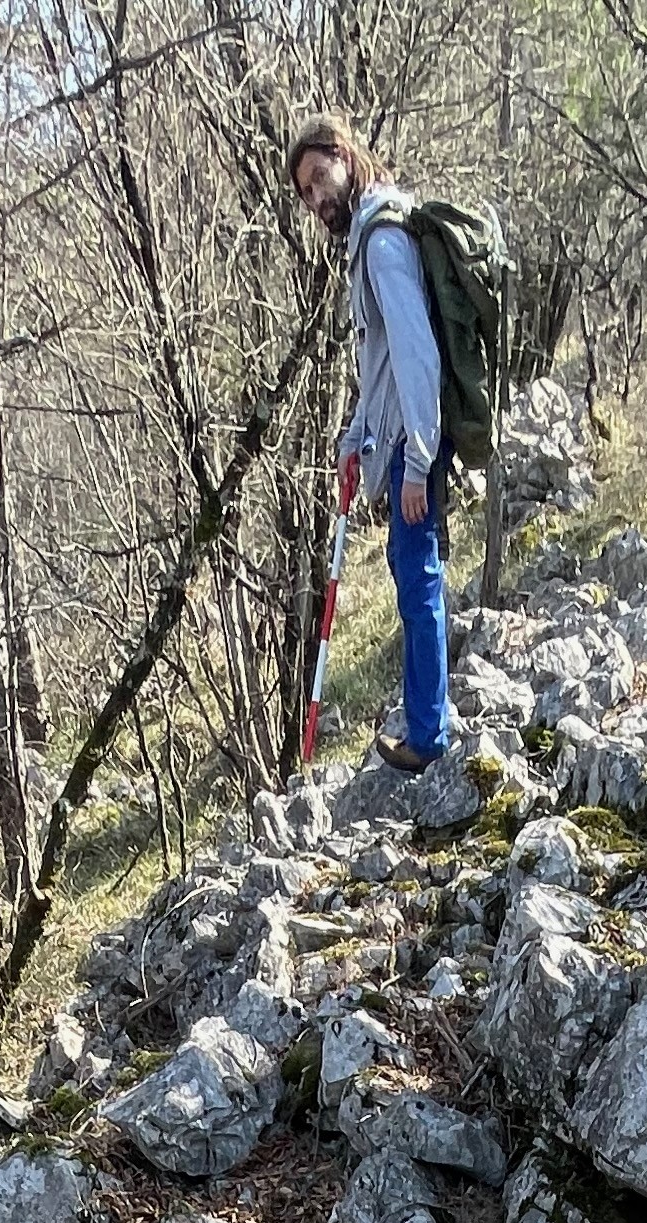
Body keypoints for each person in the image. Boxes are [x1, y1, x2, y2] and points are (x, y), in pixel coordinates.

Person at [287, 117, 450, 772]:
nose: (315, 198)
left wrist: (416, 461)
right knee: (412, 574)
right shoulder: (371, 237)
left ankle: (428, 737)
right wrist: (354, 437)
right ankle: (426, 721)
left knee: (418, 579)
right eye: (305, 193)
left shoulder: (381, 244)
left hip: (414, 444)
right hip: (401, 437)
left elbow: (416, 358)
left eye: (318, 178)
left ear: (344, 155)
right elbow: (380, 368)